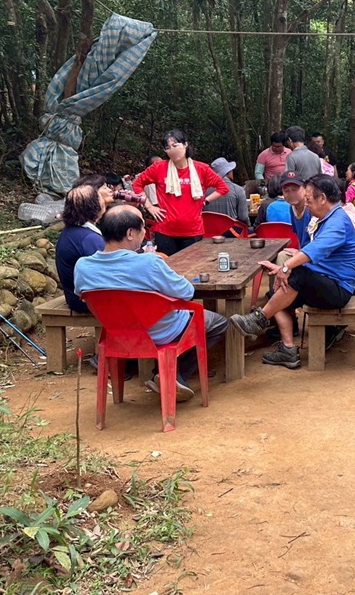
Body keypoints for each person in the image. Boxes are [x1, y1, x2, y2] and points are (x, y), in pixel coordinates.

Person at [75, 205, 228, 402]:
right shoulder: (149, 263)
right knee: (218, 323)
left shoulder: (83, 266)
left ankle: (164, 374)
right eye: (142, 228)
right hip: (164, 332)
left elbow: (85, 294)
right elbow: (187, 292)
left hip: (118, 333)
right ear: (130, 233)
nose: (145, 233)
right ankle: (173, 373)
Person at [230, 175, 355, 368]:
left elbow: (316, 250)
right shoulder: (326, 219)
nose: (306, 204)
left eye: (308, 199)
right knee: (277, 292)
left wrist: (285, 266)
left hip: (339, 289)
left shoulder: (338, 221)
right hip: (324, 281)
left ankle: (259, 319)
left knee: (296, 275)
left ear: (322, 198)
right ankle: (289, 350)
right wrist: (284, 269)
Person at [132, 129, 228, 255]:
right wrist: (149, 206)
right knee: (167, 267)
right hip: (165, 230)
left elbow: (223, 187)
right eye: (168, 147)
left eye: (175, 145)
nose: (172, 149)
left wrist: (205, 201)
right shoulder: (159, 168)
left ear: (185, 145)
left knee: (192, 268)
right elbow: (137, 184)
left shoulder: (201, 169)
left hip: (193, 230)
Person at [55, 185, 105, 313]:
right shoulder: (88, 238)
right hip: (83, 301)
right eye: (100, 198)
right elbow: (107, 271)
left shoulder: (73, 230)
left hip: (74, 296)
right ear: (94, 207)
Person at [204, 156, 250, 225]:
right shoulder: (238, 190)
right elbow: (243, 218)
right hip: (231, 233)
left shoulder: (203, 190)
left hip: (208, 232)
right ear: (228, 172)